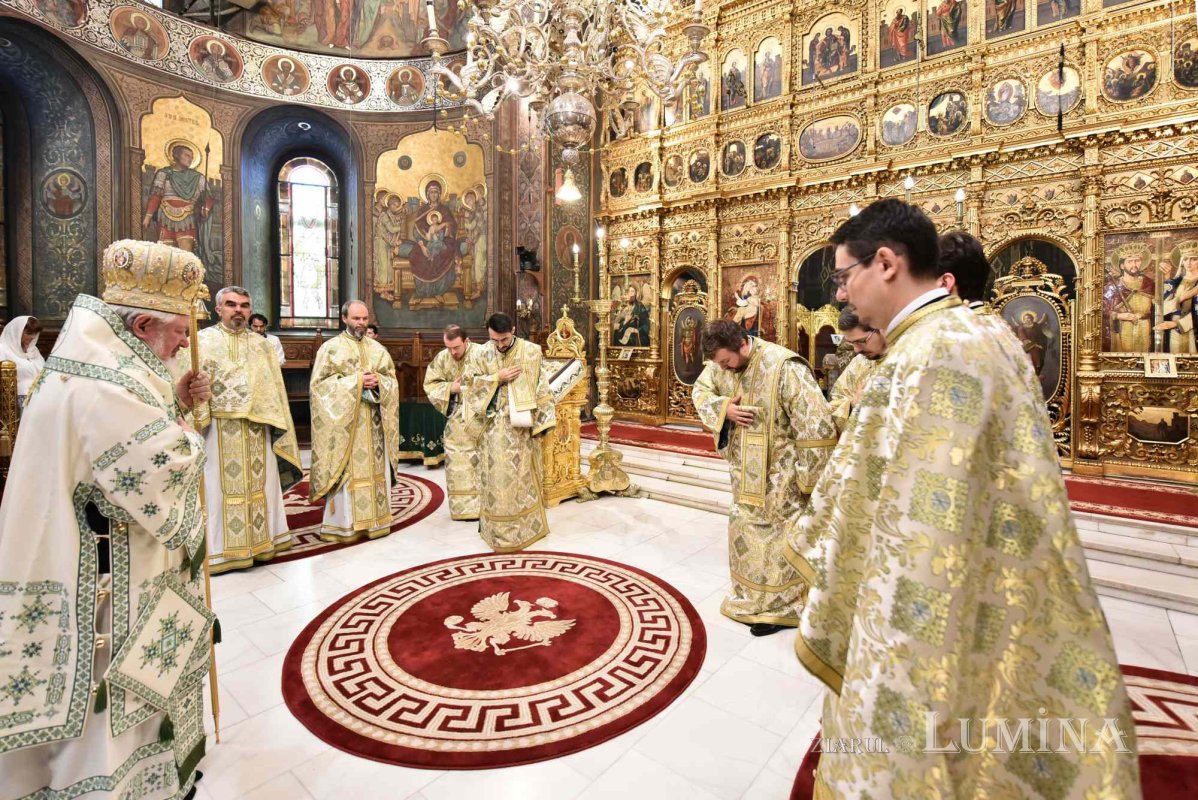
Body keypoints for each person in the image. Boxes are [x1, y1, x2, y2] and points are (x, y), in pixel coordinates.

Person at [788, 199, 1139, 798]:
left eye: (845, 276)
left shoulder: (928, 353)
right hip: (1002, 565)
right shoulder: (981, 329)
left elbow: (918, 520)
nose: (842, 294)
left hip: (932, 599)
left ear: (886, 264)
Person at [0, 239, 213, 800]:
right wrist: (189, 439)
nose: (185, 341)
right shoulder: (104, 383)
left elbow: (122, 444)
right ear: (142, 325)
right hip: (107, 577)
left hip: (92, 558)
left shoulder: (96, 364)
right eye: (179, 331)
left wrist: (176, 403)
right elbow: (155, 471)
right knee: (109, 693)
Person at [692, 320, 836, 636]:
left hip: (782, 475)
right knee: (745, 531)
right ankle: (750, 597)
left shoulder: (785, 366)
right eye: (719, 364)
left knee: (778, 539)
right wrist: (723, 409)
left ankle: (781, 608)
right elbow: (700, 391)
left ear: (742, 344)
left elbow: (814, 422)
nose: (723, 369)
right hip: (743, 473)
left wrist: (809, 478)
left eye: (726, 361)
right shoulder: (720, 365)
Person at [198, 287, 301, 573]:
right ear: (218, 309)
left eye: (244, 305)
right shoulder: (202, 342)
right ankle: (220, 550)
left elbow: (274, 390)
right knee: (218, 489)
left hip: (257, 427)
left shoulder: (262, 346)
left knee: (261, 487)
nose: (238, 310)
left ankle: (263, 542)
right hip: (217, 429)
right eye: (231, 304)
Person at [461, 312, 555, 552]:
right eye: (495, 340)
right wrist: (496, 378)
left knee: (522, 480)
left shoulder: (532, 351)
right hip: (491, 430)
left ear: (513, 330)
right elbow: (468, 386)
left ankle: (527, 528)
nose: (500, 345)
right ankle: (496, 530)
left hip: (521, 430)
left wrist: (542, 424)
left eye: (504, 339)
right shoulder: (481, 353)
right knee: (495, 480)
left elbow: (542, 388)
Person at [309, 300, 400, 542]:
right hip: (345, 429)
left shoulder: (378, 349)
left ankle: (376, 522)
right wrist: (357, 382)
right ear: (344, 319)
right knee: (348, 475)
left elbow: (392, 381)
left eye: (364, 319)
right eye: (356, 318)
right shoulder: (330, 349)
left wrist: (380, 382)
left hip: (374, 424)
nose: (361, 323)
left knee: (375, 472)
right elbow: (319, 387)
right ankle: (345, 526)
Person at [423, 324, 480, 520]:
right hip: (457, 423)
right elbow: (430, 384)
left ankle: (485, 507)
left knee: (482, 463)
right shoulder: (442, 358)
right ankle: (462, 509)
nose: (453, 352)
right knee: (458, 462)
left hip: (481, 419)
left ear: (466, 341)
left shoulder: (482, 354)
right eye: (448, 348)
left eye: (456, 347)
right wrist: (450, 389)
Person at [143, 143, 214, 255]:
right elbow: (156, 196)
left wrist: (206, 208)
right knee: (166, 255)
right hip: (166, 218)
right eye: (187, 155)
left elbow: (208, 196)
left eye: (191, 157)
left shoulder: (198, 177)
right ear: (177, 155)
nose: (190, 159)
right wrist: (148, 217)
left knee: (186, 255)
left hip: (187, 219)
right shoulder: (164, 174)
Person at [828, 306, 886, 434]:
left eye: (861, 341)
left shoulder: (906, 358)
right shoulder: (859, 362)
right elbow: (835, 404)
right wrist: (852, 404)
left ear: (881, 329)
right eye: (852, 343)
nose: (856, 350)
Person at [1104, 243, 1155, 352]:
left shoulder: (1149, 284)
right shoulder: (1113, 286)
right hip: (1123, 330)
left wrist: (1142, 315)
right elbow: (1104, 311)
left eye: (1137, 261)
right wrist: (1119, 315)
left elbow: (1157, 310)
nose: (1134, 265)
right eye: (1130, 261)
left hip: (1145, 330)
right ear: (1122, 265)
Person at [1155, 241, 1198, 353]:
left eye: (1194, 259)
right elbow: (1162, 308)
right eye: (1185, 259)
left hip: (1191, 330)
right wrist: (1180, 298)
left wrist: (1175, 324)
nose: (1189, 263)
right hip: (1173, 331)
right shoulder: (1176, 281)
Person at [0, 315, 45, 410]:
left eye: (35, 333)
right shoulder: (3, 349)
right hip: (14, 403)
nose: (33, 337)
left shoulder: (33, 350)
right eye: (29, 333)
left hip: (41, 398)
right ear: (16, 332)